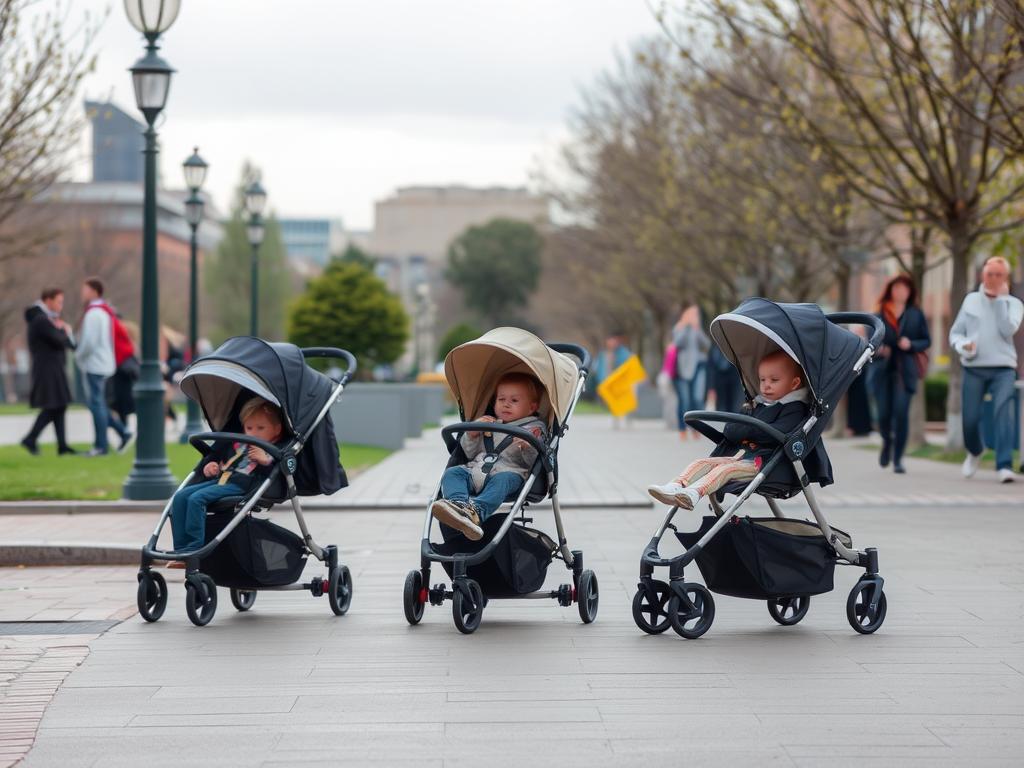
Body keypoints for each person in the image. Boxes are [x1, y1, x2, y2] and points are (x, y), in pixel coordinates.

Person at [647, 350, 808, 510]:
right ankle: (676, 486)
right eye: (762, 379)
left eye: (774, 380)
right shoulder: (756, 404)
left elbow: (775, 435)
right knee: (702, 463)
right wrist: (750, 429)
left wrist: (748, 429)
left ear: (794, 383)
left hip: (765, 464)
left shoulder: (795, 409)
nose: (766, 385)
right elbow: (730, 430)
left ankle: (694, 493)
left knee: (726, 469)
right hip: (738, 456)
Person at [430, 372, 548, 541]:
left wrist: (527, 446)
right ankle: (458, 506)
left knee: (502, 480)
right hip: (476, 470)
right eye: (501, 399)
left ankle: (476, 512)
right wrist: (471, 435)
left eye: (514, 401)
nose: (506, 404)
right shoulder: (488, 423)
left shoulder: (534, 428)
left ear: (532, 407)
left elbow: (536, 462)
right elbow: (469, 453)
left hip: (510, 473)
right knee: (452, 473)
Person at [167, 397, 285, 565]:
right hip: (222, 479)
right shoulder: (239, 443)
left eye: (261, 428)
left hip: (241, 485)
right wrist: (212, 466)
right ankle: (180, 550)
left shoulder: (274, 449)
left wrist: (265, 461)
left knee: (196, 499)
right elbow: (223, 460)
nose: (253, 433)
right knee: (180, 497)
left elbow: (274, 474)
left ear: (276, 429)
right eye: (249, 428)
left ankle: (193, 549)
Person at [950, 256, 1023, 483]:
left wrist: (1001, 301)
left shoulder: (1015, 304)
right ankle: (975, 450)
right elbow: (955, 333)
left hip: (1003, 368)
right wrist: (963, 345)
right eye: (989, 273)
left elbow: (1007, 330)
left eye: (998, 274)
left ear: (1006, 277)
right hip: (973, 367)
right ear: (982, 275)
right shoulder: (971, 300)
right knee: (969, 419)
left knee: (1003, 413)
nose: (992, 278)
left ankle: (1004, 465)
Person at [871, 274, 931, 474]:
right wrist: (879, 349)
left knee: (901, 413)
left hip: (905, 371)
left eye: (904, 289)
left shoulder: (916, 314)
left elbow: (926, 340)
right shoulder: (880, 314)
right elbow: (871, 340)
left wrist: (911, 344)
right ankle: (887, 441)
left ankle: (898, 459)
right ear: (890, 290)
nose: (900, 292)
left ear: (910, 292)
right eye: (897, 288)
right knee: (884, 415)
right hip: (883, 370)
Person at [75, 278, 133, 456]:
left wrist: (79, 356)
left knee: (96, 404)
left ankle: (101, 446)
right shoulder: (105, 312)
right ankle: (122, 432)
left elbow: (89, 343)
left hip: (95, 364)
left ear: (94, 291)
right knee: (97, 404)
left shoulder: (94, 313)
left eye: (85, 289)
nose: (82, 293)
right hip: (104, 363)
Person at [20, 288, 76, 456]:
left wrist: (62, 332)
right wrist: (64, 331)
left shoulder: (46, 319)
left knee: (59, 406)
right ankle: (30, 438)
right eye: (59, 301)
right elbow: (60, 341)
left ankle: (62, 446)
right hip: (47, 369)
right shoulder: (41, 320)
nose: (61, 306)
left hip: (52, 368)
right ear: (48, 300)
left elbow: (66, 344)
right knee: (52, 406)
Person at [670, 305, 710, 439]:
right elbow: (677, 343)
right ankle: (682, 429)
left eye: (696, 314)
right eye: (692, 314)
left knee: (696, 399)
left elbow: (706, 344)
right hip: (681, 369)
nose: (694, 316)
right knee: (684, 400)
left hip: (697, 366)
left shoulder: (696, 329)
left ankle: (696, 428)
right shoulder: (679, 328)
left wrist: (697, 329)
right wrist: (686, 327)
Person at [706, 344, 744, 414]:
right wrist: (710, 387)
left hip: (736, 378)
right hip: (719, 380)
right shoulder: (716, 344)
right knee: (721, 409)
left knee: (735, 408)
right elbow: (711, 365)